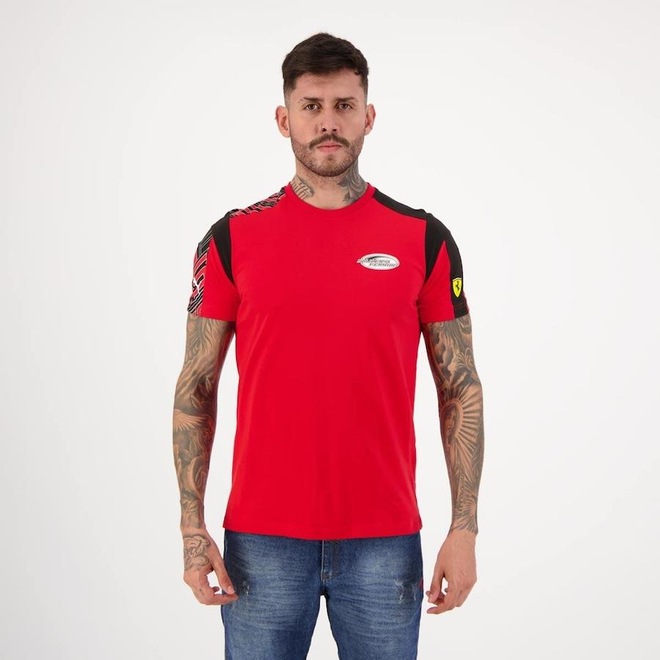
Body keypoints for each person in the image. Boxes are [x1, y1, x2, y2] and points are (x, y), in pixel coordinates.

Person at [173, 32, 484, 659]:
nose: (328, 123)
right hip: (260, 539)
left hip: (385, 538)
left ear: (369, 116)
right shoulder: (230, 239)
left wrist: (464, 528)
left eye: (344, 105)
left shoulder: (423, 238)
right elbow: (196, 387)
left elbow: (460, 388)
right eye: (311, 106)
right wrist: (191, 528)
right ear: (283, 118)